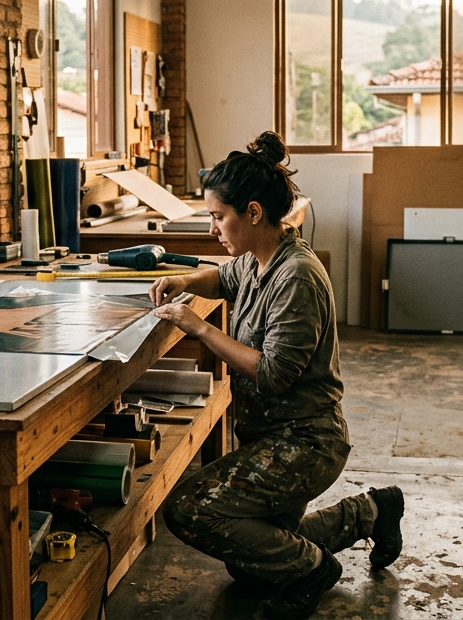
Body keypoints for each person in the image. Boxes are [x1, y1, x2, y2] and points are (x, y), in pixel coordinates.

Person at [149, 131, 405, 620]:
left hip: (306, 442)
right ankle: (372, 512)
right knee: (252, 562)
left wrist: (199, 328)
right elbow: (222, 276)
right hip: (271, 436)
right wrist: (183, 279)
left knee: (190, 510)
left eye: (217, 217)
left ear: (252, 212)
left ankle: (313, 570)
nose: (211, 230)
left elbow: (271, 376)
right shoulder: (256, 258)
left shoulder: (297, 276)